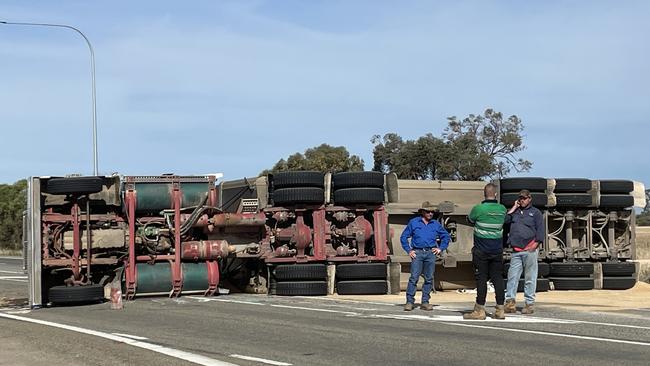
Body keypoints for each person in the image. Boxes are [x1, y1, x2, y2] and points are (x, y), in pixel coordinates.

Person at [463, 183, 507, 320]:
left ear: (484, 194)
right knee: (497, 278)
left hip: (481, 250)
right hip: (497, 250)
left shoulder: (479, 209)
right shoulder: (502, 209)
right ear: (495, 194)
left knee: (481, 279)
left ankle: (479, 309)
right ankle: (500, 309)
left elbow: (470, 219)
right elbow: (506, 220)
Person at [400, 201, 451, 311]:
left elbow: (446, 236)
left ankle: (425, 302)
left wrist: (440, 248)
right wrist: (409, 250)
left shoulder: (436, 224)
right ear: (422, 212)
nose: (430, 214)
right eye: (428, 212)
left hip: (430, 253)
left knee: (429, 278)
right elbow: (403, 237)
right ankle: (409, 302)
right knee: (414, 277)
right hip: (417, 253)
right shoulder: (413, 222)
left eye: (432, 212)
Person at [504, 189, 544, 315]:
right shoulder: (514, 213)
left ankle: (529, 303)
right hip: (516, 250)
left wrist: (535, 244)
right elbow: (504, 221)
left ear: (529, 198)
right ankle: (510, 302)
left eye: (524, 198)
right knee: (512, 277)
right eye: (520, 198)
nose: (522, 200)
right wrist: (513, 208)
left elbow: (540, 230)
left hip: (529, 250)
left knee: (530, 278)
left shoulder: (535, 213)